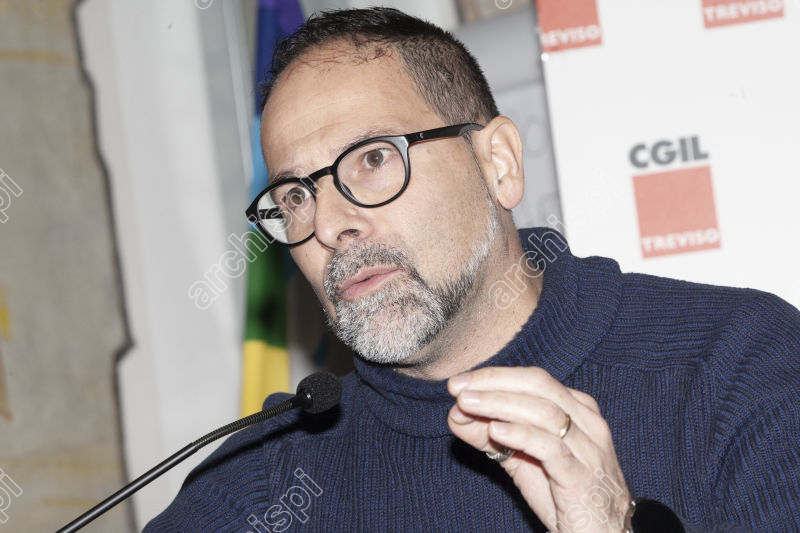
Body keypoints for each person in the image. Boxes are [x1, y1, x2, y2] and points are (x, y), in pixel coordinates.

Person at [146, 7, 800, 533]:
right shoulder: (269, 475)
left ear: (499, 164)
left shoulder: (736, 364)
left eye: (372, 159)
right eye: (295, 195)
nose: (330, 224)